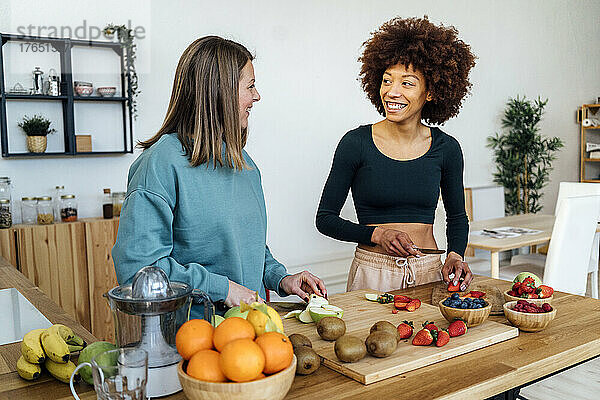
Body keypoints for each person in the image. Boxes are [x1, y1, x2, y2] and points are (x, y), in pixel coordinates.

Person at [113, 36, 326, 317]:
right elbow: (140, 272)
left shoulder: (244, 164)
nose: (257, 96)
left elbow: (247, 248)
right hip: (188, 342)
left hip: (249, 334)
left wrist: (280, 278)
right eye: (250, 86)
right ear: (219, 91)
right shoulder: (160, 164)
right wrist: (223, 289)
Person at [316, 17, 476, 293]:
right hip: (372, 273)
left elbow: (457, 217)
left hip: (429, 270)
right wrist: (377, 234)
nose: (392, 91)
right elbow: (325, 218)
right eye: (387, 80)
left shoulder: (446, 148)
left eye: (407, 83)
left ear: (431, 92)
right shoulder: (355, 143)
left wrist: (455, 255)